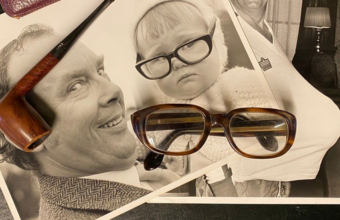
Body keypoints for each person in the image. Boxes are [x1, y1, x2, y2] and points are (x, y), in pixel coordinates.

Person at [0, 24, 180, 219]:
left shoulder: (155, 174)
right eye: (75, 86)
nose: (113, 91)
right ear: (28, 135)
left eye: (100, 71)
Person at [131, 0, 277, 197]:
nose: (176, 63)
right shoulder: (165, 115)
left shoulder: (240, 84)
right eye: (158, 57)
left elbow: (277, 126)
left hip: (253, 191)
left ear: (215, 43)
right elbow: (149, 150)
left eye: (189, 44)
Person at [223, 0, 340, 196]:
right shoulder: (226, 34)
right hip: (240, 182)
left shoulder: (265, 30)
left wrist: (283, 176)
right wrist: (223, 188)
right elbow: (208, 121)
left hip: (272, 176)